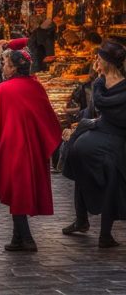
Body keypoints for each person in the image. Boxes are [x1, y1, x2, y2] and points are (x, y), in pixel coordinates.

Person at [0, 49, 62, 252]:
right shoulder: (36, 87)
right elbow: (49, 120)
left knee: (16, 191)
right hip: (33, 148)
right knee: (20, 191)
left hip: (11, 148)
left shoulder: (3, 90)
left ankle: (27, 239)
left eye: (5, 63)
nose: (2, 66)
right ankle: (17, 237)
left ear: (13, 67)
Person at [63, 41, 126, 248]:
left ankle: (82, 219)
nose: (95, 61)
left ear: (106, 62)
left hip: (90, 142)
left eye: (99, 58)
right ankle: (104, 235)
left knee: (83, 177)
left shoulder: (99, 85)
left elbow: (97, 107)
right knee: (111, 187)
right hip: (112, 144)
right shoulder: (117, 86)